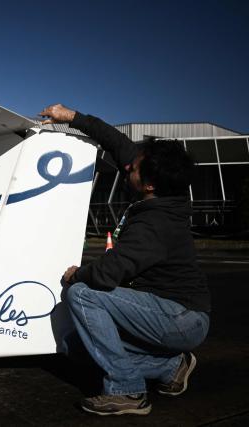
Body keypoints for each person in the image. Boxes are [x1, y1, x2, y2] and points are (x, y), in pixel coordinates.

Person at [39, 104, 211, 416]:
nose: (128, 166)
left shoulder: (155, 225)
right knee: (77, 347)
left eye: (133, 168)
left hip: (180, 319)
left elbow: (108, 272)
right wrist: (71, 117)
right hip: (161, 310)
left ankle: (128, 391)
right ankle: (170, 367)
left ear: (149, 185)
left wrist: (76, 275)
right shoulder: (157, 185)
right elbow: (115, 141)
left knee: (81, 295)